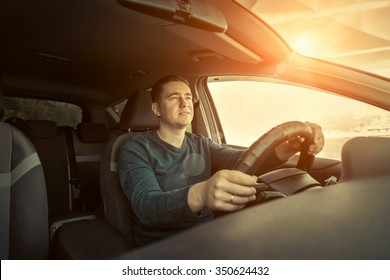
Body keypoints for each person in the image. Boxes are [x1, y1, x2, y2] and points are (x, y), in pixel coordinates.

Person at [118, 74, 324, 246]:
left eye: (188, 97)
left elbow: (242, 161)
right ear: (156, 109)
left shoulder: (201, 143)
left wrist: (287, 148)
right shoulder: (135, 148)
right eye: (173, 97)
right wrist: (201, 194)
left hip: (210, 236)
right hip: (164, 249)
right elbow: (146, 207)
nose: (184, 103)